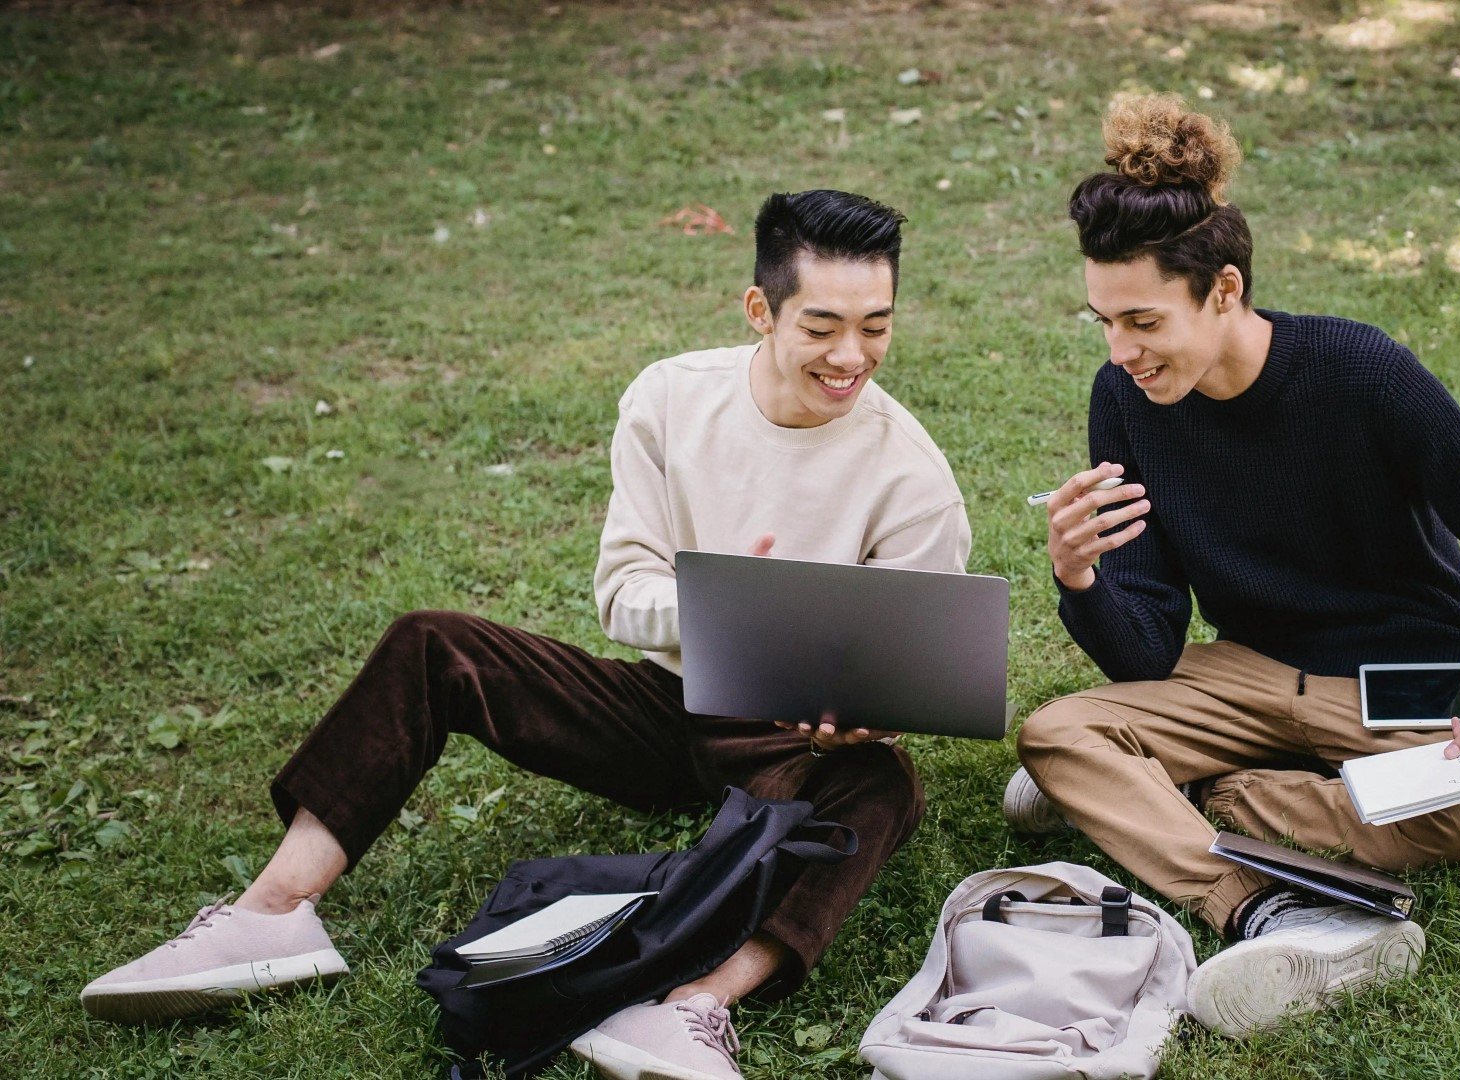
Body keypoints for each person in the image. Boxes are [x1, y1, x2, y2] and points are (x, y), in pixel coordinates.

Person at [83, 189, 971, 1080]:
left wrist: (859, 719)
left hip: (793, 742)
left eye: (876, 327)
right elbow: (623, 593)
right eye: (821, 327)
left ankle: (691, 1011)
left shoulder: (912, 479)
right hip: (669, 698)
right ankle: (271, 912)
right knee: (432, 642)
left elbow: (901, 679)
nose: (850, 356)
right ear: (758, 310)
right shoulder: (670, 399)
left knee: (883, 787)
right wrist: (729, 605)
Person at [1006, 95, 1460, 1037]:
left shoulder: (1360, 372)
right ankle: (1258, 905)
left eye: (1144, 322)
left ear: (1225, 290)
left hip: (1404, 677)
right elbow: (1149, 645)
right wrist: (1081, 579)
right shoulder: (1124, 399)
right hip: (1248, 668)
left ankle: (1204, 790)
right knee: (1055, 736)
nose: (1122, 352)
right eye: (1104, 323)